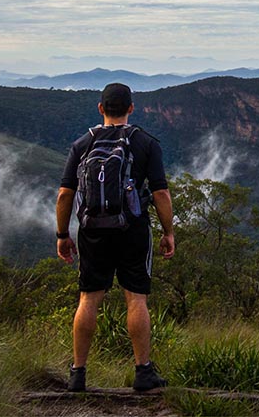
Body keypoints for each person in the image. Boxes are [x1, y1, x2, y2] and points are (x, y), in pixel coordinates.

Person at [55, 83, 176, 392]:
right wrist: (168, 232)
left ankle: (78, 373)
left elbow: (64, 195)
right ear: (131, 109)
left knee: (89, 298)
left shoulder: (82, 144)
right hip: (132, 228)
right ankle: (142, 371)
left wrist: (62, 235)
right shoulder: (146, 143)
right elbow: (160, 192)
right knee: (135, 297)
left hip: (92, 230)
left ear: (100, 109)